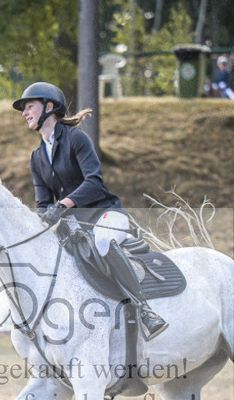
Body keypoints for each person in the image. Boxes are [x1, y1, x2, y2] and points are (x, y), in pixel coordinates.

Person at [12, 81, 167, 340]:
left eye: (29, 107)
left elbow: (94, 182)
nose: (25, 113)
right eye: (24, 109)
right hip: (73, 225)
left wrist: (62, 205)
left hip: (104, 214)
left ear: (49, 107)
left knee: (103, 242)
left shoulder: (76, 139)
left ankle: (145, 310)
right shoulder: (36, 157)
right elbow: (42, 203)